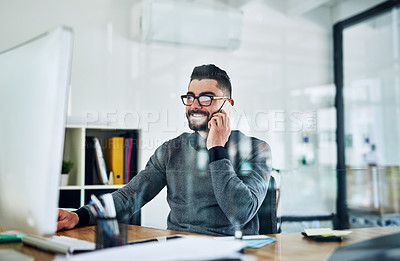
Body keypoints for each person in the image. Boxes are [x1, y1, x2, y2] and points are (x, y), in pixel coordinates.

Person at [57, 64, 272, 236]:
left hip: (230, 253)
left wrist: (217, 149)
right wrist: (79, 216)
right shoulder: (171, 151)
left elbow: (240, 212)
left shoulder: (256, 150)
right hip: (178, 250)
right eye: (190, 97)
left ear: (228, 104)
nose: (194, 105)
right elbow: (129, 196)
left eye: (206, 98)